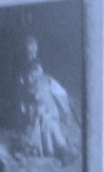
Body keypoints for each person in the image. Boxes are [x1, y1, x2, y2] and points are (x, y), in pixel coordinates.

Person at [16, 33, 82, 165]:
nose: (31, 55)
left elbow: (59, 93)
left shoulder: (44, 77)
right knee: (44, 127)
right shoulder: (22, 72)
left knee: (51, 125)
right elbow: (23, 96)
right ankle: (60, 151)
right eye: (29, 52)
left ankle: (63, 151)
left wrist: (63, 110)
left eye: (33, 52)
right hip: (34, 113)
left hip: (48, 112)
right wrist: (28, 103)